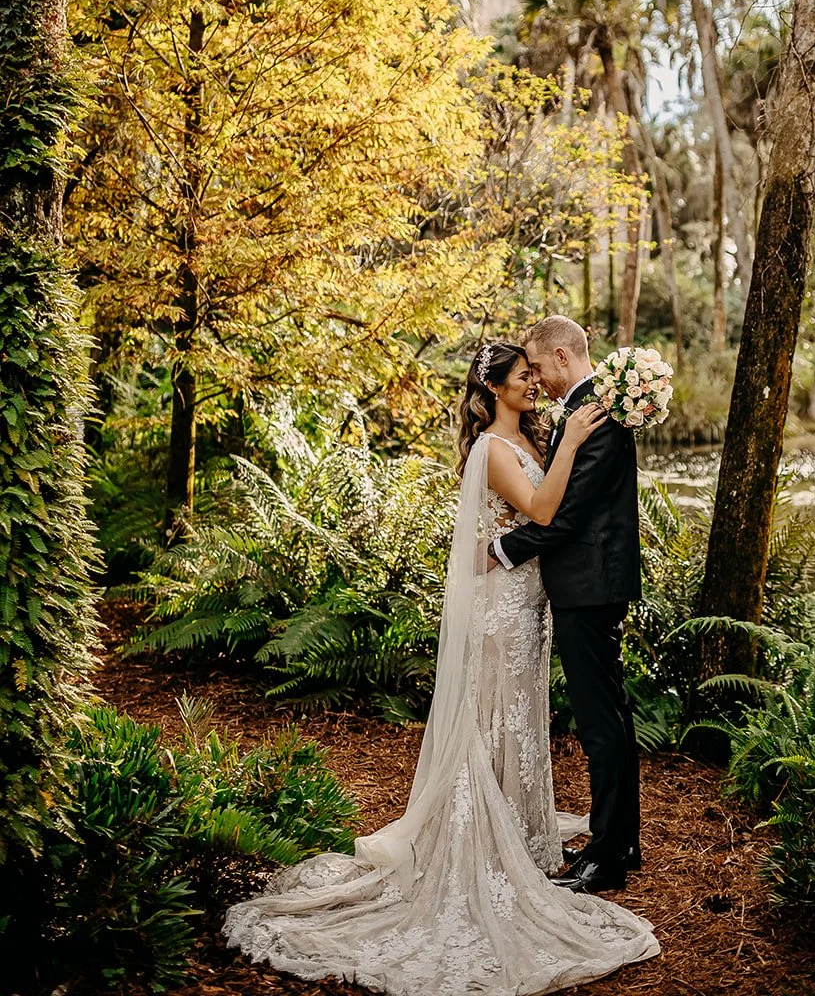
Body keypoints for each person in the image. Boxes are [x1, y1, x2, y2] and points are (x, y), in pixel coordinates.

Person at [223, 340, 658, 995]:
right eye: (521, 376)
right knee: (493, 716)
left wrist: (509, 537)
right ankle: (494, 830)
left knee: (532, 716)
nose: (533, 382)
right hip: (507, 609)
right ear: (492, 390)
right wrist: (555, 461)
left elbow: (553, 514)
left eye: (535, 370)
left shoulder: (559, 431)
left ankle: (552, 833)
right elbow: (545, 512)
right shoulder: (503, 445)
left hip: (539, 598)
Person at [491, 316, 643, 896]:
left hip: (591, 586)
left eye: (537, 367)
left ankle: (606, 858)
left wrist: (503, 548)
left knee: (601, 725)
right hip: (593, 584)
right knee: (613, 715)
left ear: (561, 355)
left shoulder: (595, 415)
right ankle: (621, 839)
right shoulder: (588, 409)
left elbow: (567, 514)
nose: (537, 380)